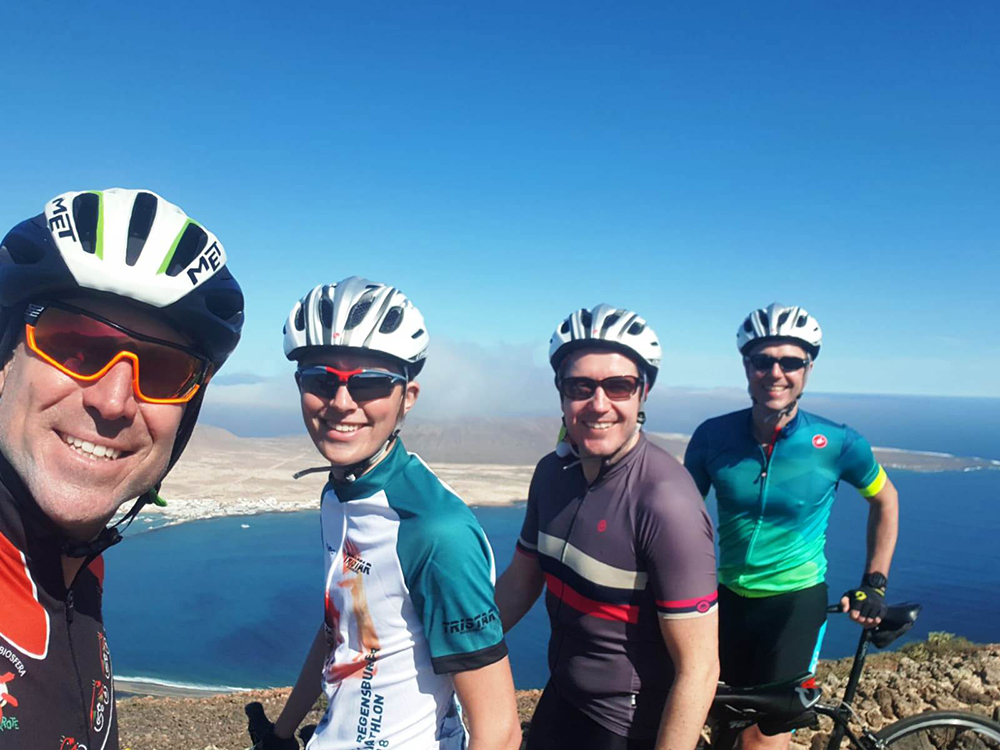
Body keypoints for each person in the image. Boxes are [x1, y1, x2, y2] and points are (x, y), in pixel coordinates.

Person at [0, 188, 244, 749]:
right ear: (4, 358)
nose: (112, 402)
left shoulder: (76, 560)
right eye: (74, 346)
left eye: (162, 369)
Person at [256, 277, 520, 750]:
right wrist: (281, 732)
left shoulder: (436, 532)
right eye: (320, 380)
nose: (340, 403)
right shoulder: (338, 494)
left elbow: (499, 733)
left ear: (408, 398)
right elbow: (342, 625)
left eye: (371, 384)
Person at [495, 304, 720, 750]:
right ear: (561, 393)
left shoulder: (666, 501)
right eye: (581, 386)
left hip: (626, 726)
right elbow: (521, 583)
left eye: (619, 386)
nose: (599, 404)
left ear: (644, 392)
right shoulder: (551, 475)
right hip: (561, 697)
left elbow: (700, 667)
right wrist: (450, 648)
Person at [684, 302, 900, 750]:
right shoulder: (712, 437)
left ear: (808, 368)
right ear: (747, 366)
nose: (776, 373)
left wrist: (874, 583)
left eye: (790, 362)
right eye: (763, 361)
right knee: (713, 716)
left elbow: (886, 499)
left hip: (794, 603)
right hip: (724, 598)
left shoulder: (837, 442)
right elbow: (679, 515)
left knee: (764, 737)